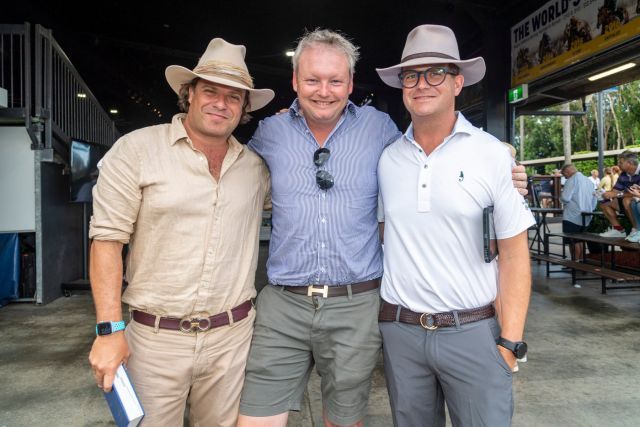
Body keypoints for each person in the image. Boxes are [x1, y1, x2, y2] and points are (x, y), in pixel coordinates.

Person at [237, 29, 529, 427]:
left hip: (376, 307)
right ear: (294, 82)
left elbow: (511, 249)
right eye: (312, 80)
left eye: (335, 80)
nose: (324, 90)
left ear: (351, 84)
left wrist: (505, 162)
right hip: (311, 309)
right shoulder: (275, 134)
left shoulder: (381, 132)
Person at [88, 38, 274, 426]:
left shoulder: (256, 169)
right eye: (210, 91)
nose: (220, 103)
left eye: (234, 97)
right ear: (188, 94)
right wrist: (108, 331)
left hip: (232, 338)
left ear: (243, 110)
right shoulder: (136, 151)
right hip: (155, 340)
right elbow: (107, 241)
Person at [375, 24, 535, 426]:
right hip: (402, 332)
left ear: (458, 82)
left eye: (436, 73)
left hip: (473, 330)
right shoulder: (387, 160)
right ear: (402, 85)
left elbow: (515, 254)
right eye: (411, 75)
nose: (422, 84)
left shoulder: (491, 154)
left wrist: (510, 342)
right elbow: (384, 236)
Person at [599, 151, 640, 239]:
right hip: (629, 203)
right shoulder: (623, 174)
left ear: (630, 163)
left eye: (621, 162)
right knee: (604, 204)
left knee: (627, 200)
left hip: (636, 203)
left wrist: (617, 194)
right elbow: (615, 191)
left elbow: (637, 193)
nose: (618, 165)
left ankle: (637, 230)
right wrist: (608, 194)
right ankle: (619, 230)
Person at [559, 164, 597, 260]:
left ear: (567, 172)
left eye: (565, 175)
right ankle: (580, 262)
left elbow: (565, 198)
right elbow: (595, 200)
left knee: (572, 241)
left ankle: (574, 264)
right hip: (586, 216)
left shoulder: (571, 180)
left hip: (572, 216)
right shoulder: (589, 181)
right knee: (580, 240)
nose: (565, 177)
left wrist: (561, 199)